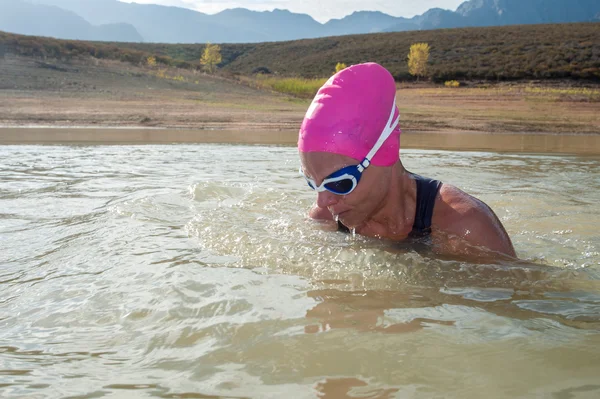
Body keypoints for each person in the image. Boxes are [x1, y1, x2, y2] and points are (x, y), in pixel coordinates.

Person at [298, 62, 516, 259]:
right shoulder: (326, 219)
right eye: (313, 183)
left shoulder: (465, 226)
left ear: (385, 154)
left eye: (339, 182)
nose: (322, 201)